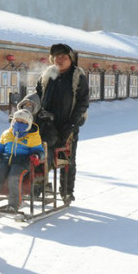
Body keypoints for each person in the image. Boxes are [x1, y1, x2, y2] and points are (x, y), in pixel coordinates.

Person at [36, 43, 89, 204]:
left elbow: (83, 102)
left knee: (67, 159)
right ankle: (40, 186)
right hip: (46, 125)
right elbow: (38, 95)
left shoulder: (77, 76)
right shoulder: (47, 75)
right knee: (42, 154)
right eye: (56, 57)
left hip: (68, 125)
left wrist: (72, 125)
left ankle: (66, 192)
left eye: (63, 57)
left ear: (70, 58)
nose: (59, 60)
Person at [0, 108, 45, 210]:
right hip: (5, 160)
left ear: (29, 124)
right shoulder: (7, 134)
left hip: (22, 163)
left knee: (14, 177)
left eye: (23, 122)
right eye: (17, 121)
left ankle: (14, 204)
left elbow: (40, 151)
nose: (19, 123)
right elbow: (0, 148)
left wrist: (36, 155)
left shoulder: (33, 137)